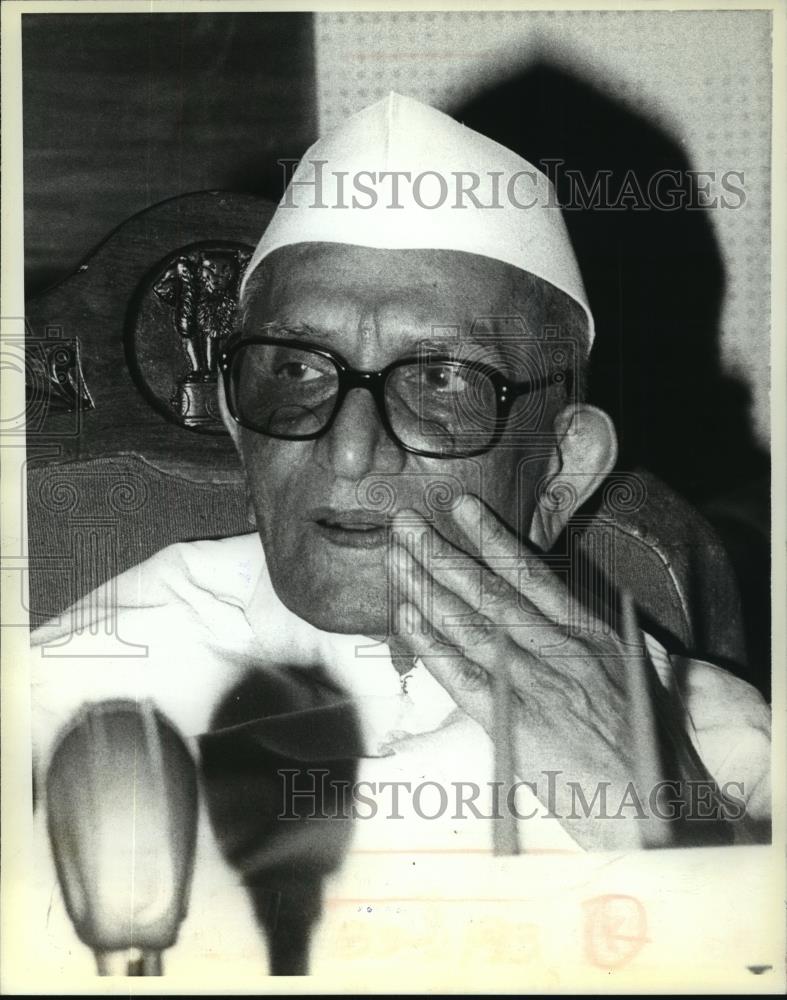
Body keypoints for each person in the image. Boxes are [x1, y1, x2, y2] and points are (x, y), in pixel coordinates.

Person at [29, 93, 770, 973]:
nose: (347, 452)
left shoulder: (712, 742)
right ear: (236, 417)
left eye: (443, 380)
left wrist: (676, 830)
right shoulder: (71, 693)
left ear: (561, 470)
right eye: (297, 369)